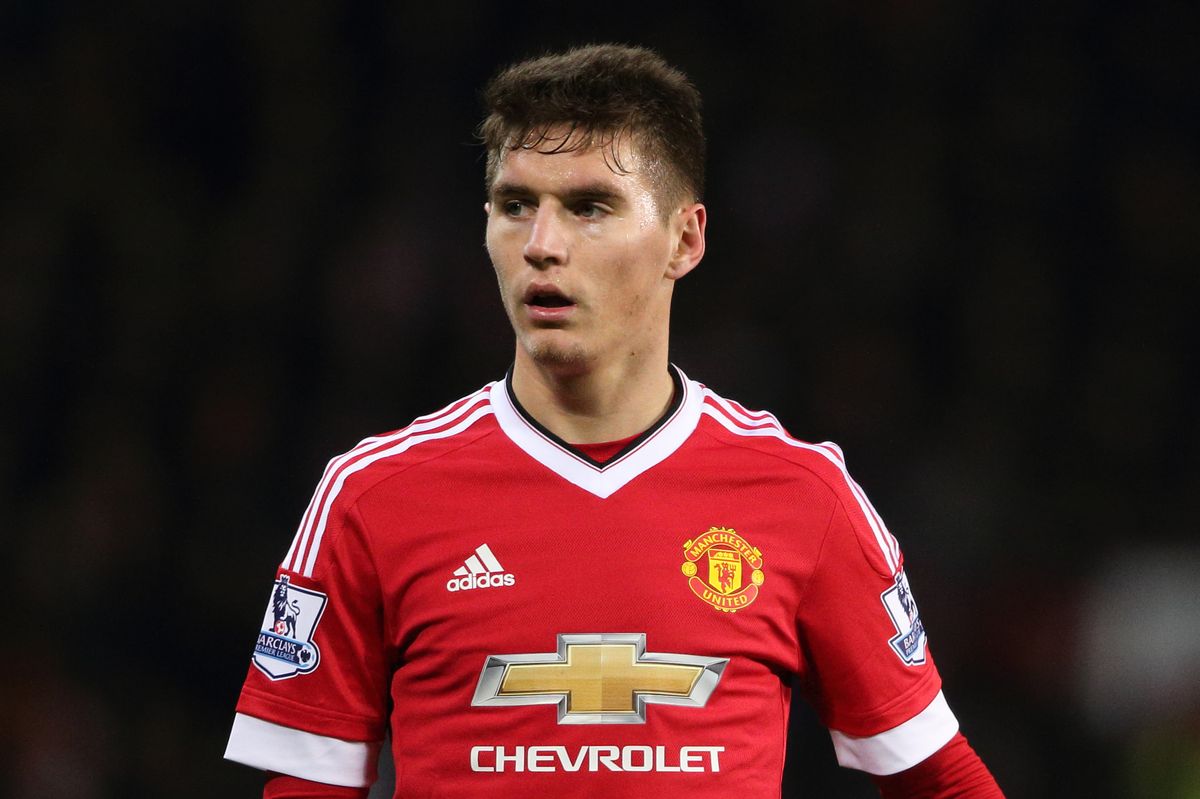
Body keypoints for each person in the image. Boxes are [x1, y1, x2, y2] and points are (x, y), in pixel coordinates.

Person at [224, 44, 1004, 798]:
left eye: (589, 206)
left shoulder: (805, 495)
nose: (541, 245)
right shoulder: (371, 496)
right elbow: (306, 787)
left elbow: (937, 780)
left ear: (685, 238)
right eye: (514, 206)